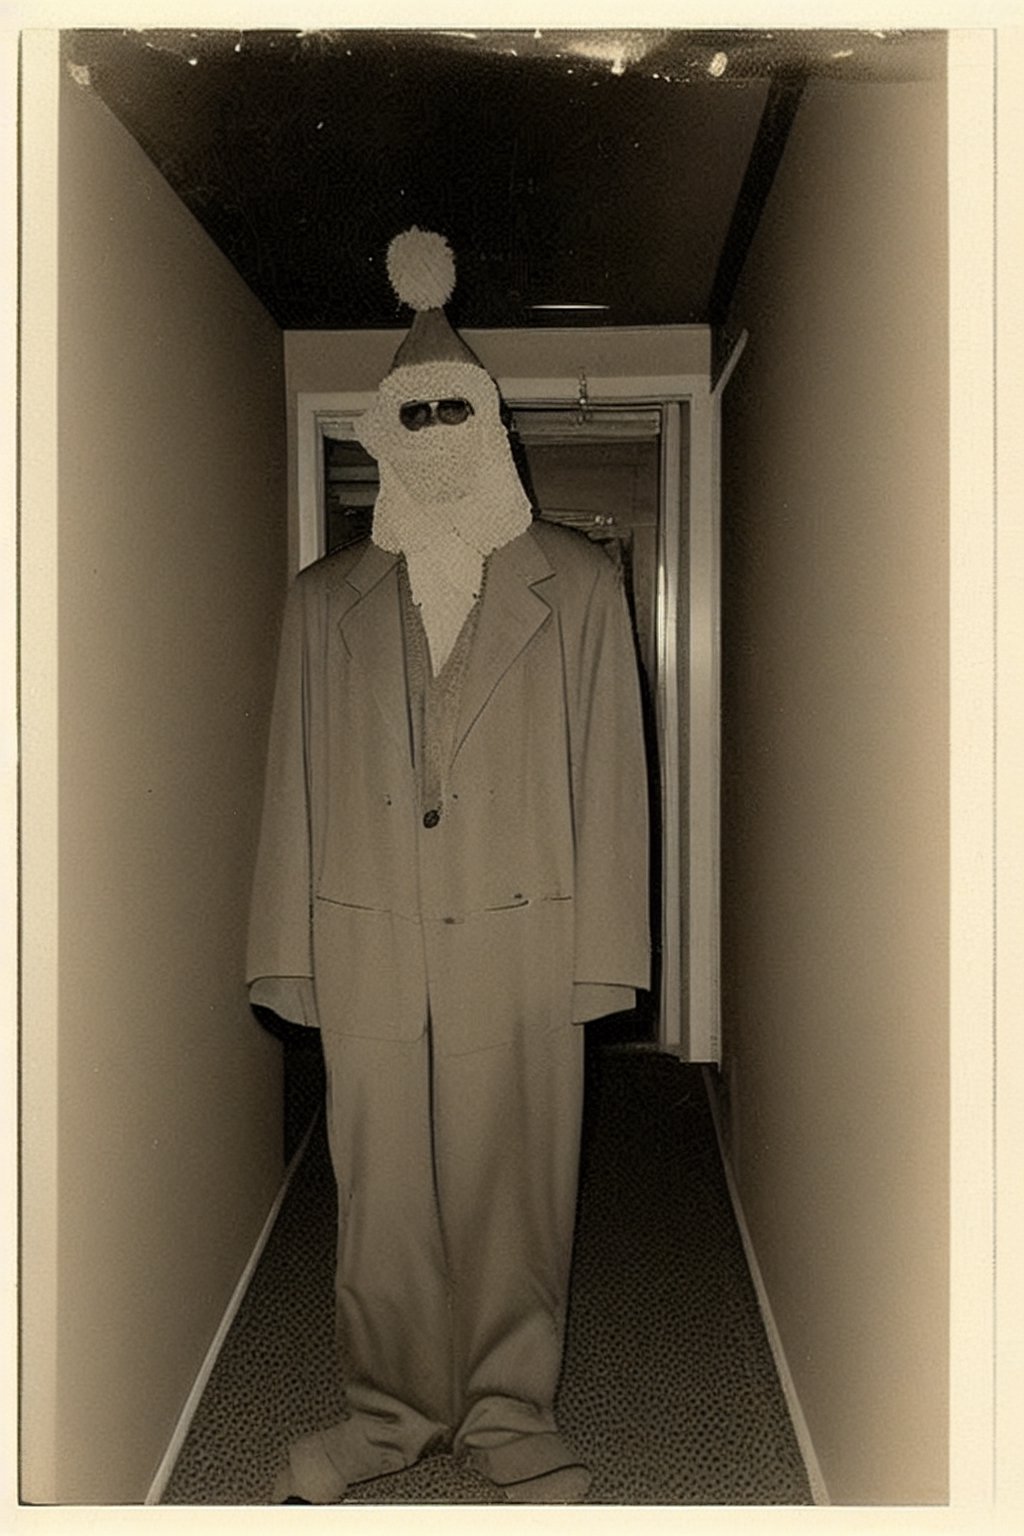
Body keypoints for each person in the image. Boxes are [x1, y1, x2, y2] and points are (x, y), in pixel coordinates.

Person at [247, 228, 649, 1504]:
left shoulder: (578, 589)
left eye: (450, 406)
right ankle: (387, 1415)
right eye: (407, 408)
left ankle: (509, 1420)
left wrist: (606, 960)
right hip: (366, 937)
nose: (430, 424)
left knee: (515, 1185)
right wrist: (283, 952)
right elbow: (288, 784)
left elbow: (615, 782)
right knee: (378, 1197)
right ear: (383, 426)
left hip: (529, 936)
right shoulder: (323, 605)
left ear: (484, 421)